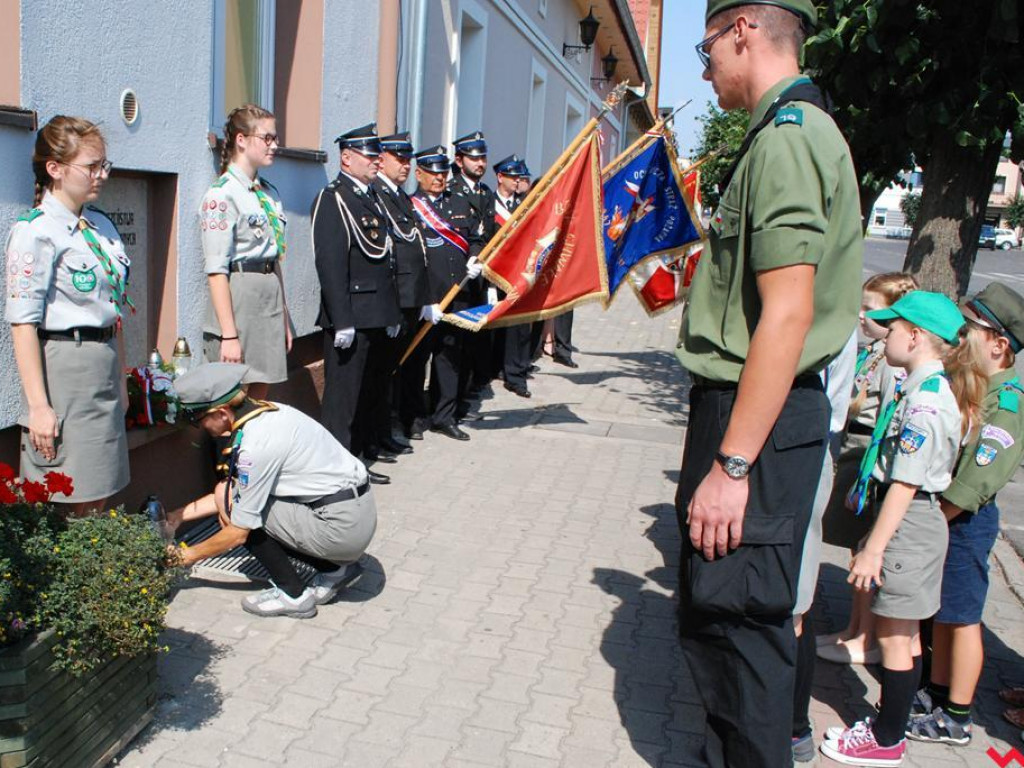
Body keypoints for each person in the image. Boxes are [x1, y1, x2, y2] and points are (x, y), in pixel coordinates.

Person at [674, 2, 863, 765]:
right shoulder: (787, 133)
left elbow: (785, 316)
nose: (705, 64)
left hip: (757, 425)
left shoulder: (788, 141)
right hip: (762, 415)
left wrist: (733, 464)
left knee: (741, 635)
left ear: (744, 29)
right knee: (725, 629)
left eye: (707, 44)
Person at [822, 291, 974, 766]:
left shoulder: (927, 404)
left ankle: (887, 741)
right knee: (904, 636)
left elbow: (906, 483)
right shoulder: (921, 389)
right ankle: (893, 725)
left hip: (907, 520)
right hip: (908, 520)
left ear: (916, 336)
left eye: (892, 328)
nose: (884, 334)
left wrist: (873, 550)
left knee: (893, 636)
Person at [906, 284, 1024, 746]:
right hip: (948, 515)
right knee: (941, 612)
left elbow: (979, 478)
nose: (959, 335)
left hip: (965, 520)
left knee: (962, 617)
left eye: (969, 327)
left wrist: (938, 515)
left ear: (998, 343)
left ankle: (956, 715)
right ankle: (936, 692)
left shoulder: (1007, 401)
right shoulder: (976, 386)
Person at [172, 363, 377, 618]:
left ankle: (293, 594)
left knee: (236, 510)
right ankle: (334, 569)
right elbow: (232, 487)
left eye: (197, 419)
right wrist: (176, 517)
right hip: (354, 513)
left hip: (341, 527)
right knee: (229, 494)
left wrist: (185, 556)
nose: (199, 427)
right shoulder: (273, 412)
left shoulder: (256, 446)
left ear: (222, 413)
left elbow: (237, 531)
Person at [5, 115, 132, 516]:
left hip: (104, 360)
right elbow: (23, 323)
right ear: (55, 169)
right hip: (66, 365)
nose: (101, 175)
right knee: (66, 486)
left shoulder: (100, 227)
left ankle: (90, 569)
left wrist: (123, 377)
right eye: (91, 166)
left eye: (104, 165)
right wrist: (39, 407)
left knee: (102, 481)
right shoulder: (36, 232)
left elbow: (115, 307)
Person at [819, 273, 919, 666]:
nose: (861, 316)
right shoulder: (875, 350)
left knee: (864, 549)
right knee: (854, 548)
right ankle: (853, 628)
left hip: (868, 450)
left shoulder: (891, 363)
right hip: (854, 445)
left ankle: (867, 637)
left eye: (870, 309)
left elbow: (882, 411)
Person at [311, 123, 401, 484]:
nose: (377, 160)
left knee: (368, 394)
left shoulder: (372, 196)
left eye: (377, 154)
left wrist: (392, 312)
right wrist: (342, 319)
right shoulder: (333, 198)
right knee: (342, 401)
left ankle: (358, 461)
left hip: (377, 313)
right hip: (352, 317)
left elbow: (387, 262)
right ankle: (335, 469)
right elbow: (330, 264)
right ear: (346, 158)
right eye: (369, 154)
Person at [791, 329, 857, 761]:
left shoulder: (830, 319)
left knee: (795, 601)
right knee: (790, 594)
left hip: (806, 442)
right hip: (802, 438)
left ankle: (794, 726)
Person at [200, 104, 292, 402]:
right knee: (233, 395)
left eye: (275, 138)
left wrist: (285, 317)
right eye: (267, 138)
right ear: (241, 139)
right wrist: (229, 334)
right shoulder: (222, 194)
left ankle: (256, 449)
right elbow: (216, 270)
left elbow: (273, 259)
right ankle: (232, 449)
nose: (274, 145)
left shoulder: (268, 193)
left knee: (262, 391)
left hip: (268, 296)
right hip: (240, 294)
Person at [410, 145, 484, 441]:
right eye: (432, 173)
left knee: (450, 359)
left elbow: (476, 237)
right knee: (417, 362)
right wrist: (424, 300)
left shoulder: (460, 203)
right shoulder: (410, 206)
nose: (439, 178)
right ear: (419, 174)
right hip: (426, 299)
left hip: (457, 296)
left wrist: (476, 256)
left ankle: (445, 416)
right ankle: (413, 417)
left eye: (442, 173)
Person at [372, 131, 436, 454]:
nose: (406, 165)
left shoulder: (399, 195)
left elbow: (416, 249)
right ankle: (380, 434)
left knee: (396, 369)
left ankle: (386, 431)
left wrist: (425, 298)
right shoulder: (378, 194)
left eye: (408, 159)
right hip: (397, 298)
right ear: (381, 159)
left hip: (412, 297)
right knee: (384, 373)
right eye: (400, 158)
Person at [449, 131, 495, 400]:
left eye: (483, 158)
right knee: (456, 344)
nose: (480, 163)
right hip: (461, 278)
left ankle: (466, 394)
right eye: (474, 158)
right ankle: (451, 400)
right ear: (459, 160)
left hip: (480, 278)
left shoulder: (485, 193)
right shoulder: (451, 190)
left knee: (474, 342)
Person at [491, 154, 534, 398]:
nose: (517, 181)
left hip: (518, 274)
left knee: (518, 326)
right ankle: (492, 369)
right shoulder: (488, 201)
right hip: (493, 274)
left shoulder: (524, 205)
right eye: (512, 176)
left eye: (519, 177)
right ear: (500, 177)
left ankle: (516, 375)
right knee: (494, 327)